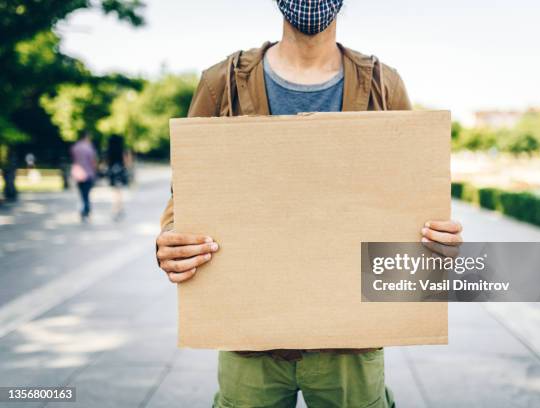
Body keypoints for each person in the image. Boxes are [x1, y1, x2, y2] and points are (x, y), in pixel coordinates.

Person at [156, 1, 463, 406]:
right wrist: (170, 239)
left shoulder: (382, 84)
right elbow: (187, 192)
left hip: (352, 345)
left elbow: (411, 201)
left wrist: (438, 238)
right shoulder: (222, 82)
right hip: (250, 338)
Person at [70, 131, 97, 222]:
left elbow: (74, 159)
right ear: (86, 137)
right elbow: (93, 161)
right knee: (86, 194)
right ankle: (86, 211)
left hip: (78, 174)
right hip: (88, 173)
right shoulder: (89, 148)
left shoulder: (75, 147)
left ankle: (84, 210)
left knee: (82, 194)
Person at [106, 134, 129, 221]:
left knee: (115, 192)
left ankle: (117, 209)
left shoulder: (109, 150)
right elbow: (126, 162)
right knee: (119, 192)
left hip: (112, 172)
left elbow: (106, 162)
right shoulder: (122, 150)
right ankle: (118, 209)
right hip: (120, 172)